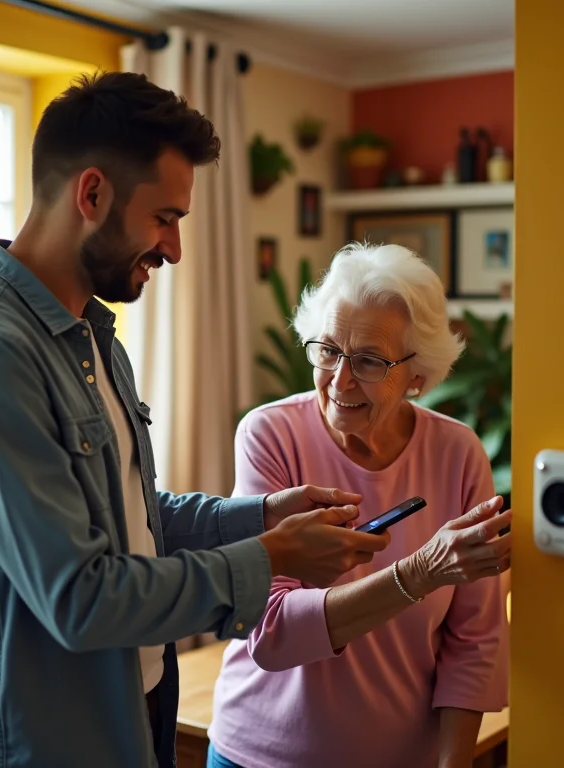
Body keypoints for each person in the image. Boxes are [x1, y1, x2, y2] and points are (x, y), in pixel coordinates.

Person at [0, 72, 389, 768]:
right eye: (165, 218)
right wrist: (274, 559)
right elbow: (80, 596)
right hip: (37, 746)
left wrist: (260, 517)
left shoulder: (97, 341)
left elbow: (130, 516)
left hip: (130, 724)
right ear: (92, 193)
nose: (176, 249)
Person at [206, 242, 514, 768]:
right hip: (258, 756)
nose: (341, 380)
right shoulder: (271, 435)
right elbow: (271, 632)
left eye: (369, 361)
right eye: (328, 350)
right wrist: (418, 574)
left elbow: (475, 640)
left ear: (418, 373)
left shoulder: (458, 453)